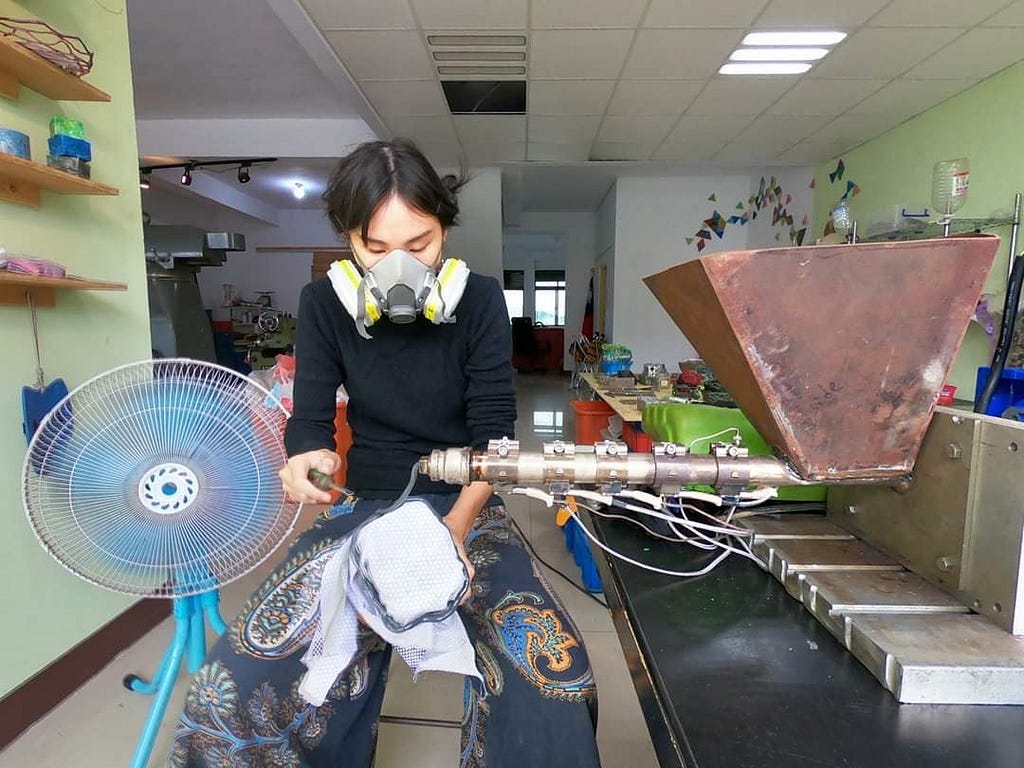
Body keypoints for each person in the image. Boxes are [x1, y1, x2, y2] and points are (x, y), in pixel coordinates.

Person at [170, 139, 601, 767]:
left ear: (445, 231)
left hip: (466, 507)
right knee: (237, 685)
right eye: (375, 247)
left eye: (420, 244)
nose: (399, 264)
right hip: (363, 506)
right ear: (349, 239)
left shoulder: (480, 300)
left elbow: (494, 437)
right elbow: (311, 421)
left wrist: (455, 530)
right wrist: (308, 459)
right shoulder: (324, 304)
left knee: (553, 681)